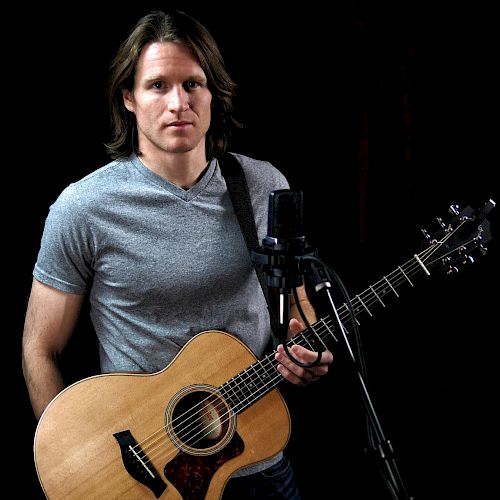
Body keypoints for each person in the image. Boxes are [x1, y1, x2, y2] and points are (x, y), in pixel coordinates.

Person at [21, 9, 333, 499]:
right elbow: (41, 349)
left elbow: (295, 304)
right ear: (128, 98)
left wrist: (305, 347)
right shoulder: (83, 208)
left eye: (193, 85)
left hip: (258, 463)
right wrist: (79, 463)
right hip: (143, 479)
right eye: (158, 86)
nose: (178, 103)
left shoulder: (264, 188)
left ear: (213, 95)